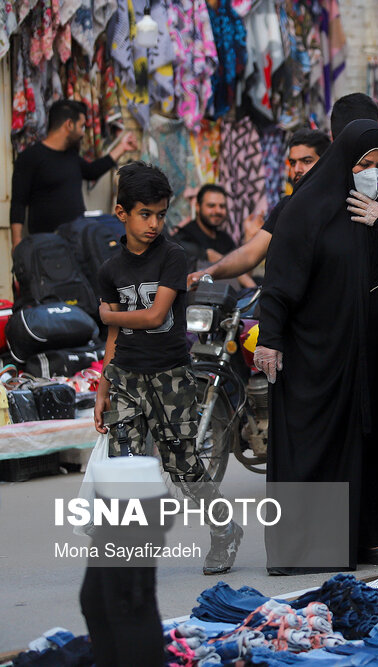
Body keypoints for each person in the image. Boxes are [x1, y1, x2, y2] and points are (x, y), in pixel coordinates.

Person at [255, 119, 378, 570]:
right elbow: (279, 281)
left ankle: (375, 538)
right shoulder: (308, 208)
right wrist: (270, 339)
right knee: (323, 440)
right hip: (322, 351)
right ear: (344, 163)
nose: (373, 172)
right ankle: (316, 546)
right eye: (364, 164)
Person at [93, 162, 242, 576]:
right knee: (124, 463)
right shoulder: (110, 269)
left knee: (183, 465)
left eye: (161, 213)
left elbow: (157, 316)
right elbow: (113, 340)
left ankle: (224, 528)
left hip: (170, 377)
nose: (155, 223)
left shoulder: (173, 256)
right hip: (124, 376)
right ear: (122, 213)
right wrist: (104, 385)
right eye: (145, 214)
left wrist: (111, 317)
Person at [186, 95, 377, 287]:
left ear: (326, 159)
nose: (297, 170)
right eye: (292, 163)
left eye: (307, 161)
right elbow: (250, 254)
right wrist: (209, 272)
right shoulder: (289, 207)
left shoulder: (363, 200)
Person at [10, 99, 138, 247]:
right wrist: (16, 241)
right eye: (82, 126)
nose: (83, 133)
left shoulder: (71, 156)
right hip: (47, 246)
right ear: (69, 124)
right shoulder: (31, 157)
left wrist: (122, 147)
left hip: (78, 240)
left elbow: (92, 171)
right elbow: (18, 202)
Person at [173, 185, 256, 288]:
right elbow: (244, 280)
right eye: (211, 206)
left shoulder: (225, 238)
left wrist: (250, 237)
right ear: (198, 207)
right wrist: (251, 285)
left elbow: (243, 277)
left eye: (222, 206)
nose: (217, 211)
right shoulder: (184, 237)